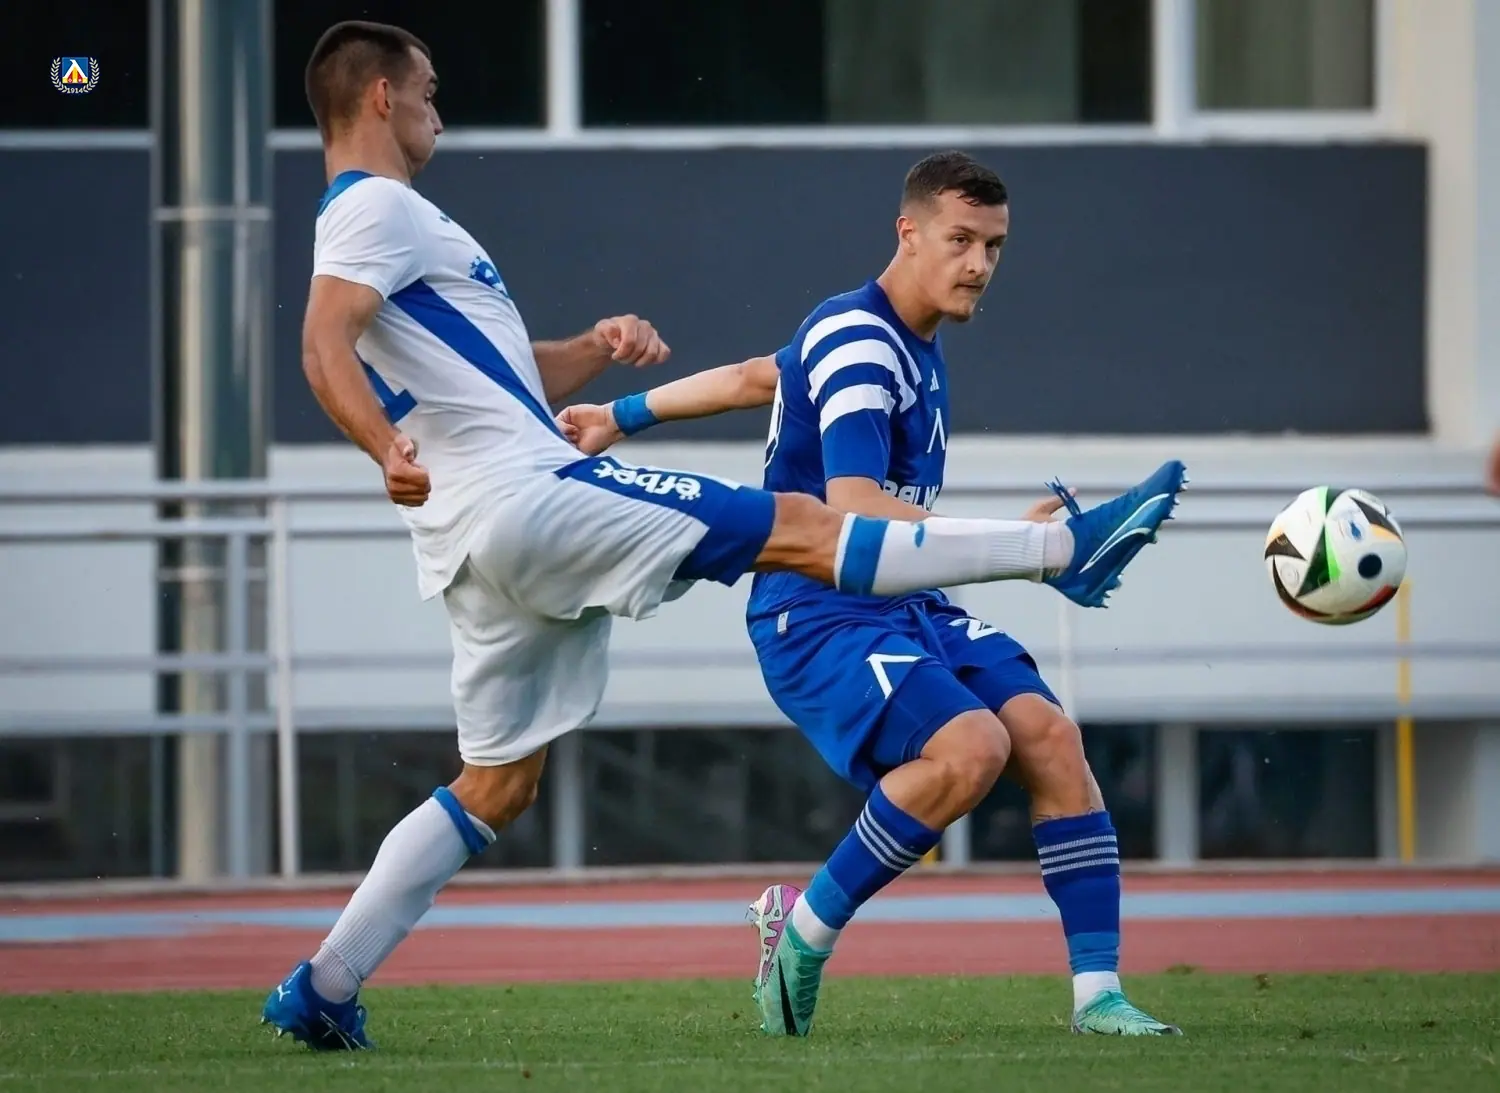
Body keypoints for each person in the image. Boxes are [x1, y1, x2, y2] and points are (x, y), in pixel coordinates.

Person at [261, 26, 1185, 1051]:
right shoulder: (377, 205)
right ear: (380, 97)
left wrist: (603, 370)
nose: (441, 109)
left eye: (991, 247)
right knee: (803, 525)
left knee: (498, 784)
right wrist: (381, 444)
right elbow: (321, 339)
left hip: (482, 535)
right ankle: (1066, 554)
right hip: (533, 501)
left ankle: (325, 983)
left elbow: (515, 377)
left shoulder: (401, 230)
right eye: (430, 90)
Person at [558, 151, 1185, 1038]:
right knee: (973, 747)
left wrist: (618, 417)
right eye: (960, 240)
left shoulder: (888, 337)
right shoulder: (862, 339)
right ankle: (803, 931)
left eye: (994, 246)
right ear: (908, 232)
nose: (979, 264)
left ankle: (1099, 997)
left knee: (1050, 736)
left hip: (902, 599)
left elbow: (757, 378)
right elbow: (852, 508)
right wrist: (1025, 547)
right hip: (815, 610)